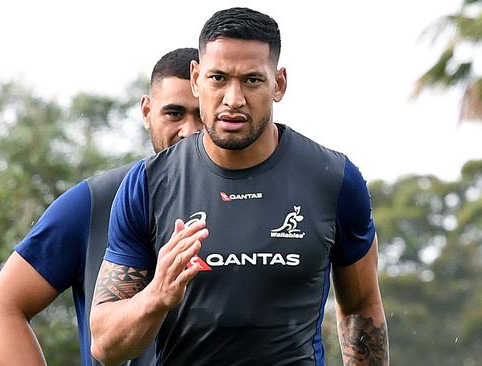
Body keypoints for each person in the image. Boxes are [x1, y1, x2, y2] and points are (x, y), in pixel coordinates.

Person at [91, 7, 389, 366]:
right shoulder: (148, 183)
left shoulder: (334, 178)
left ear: (278, 84)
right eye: (218, 78)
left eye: (252, 80)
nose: (233, 99)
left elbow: (361, 308)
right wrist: (157, 294)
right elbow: (106, 347)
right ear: (197, 78)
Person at [0, 47, 202, 366]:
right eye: (174, 113)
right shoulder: (93, 202)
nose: (190, 131)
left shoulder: (258, 200)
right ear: (147, 111)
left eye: (201, 115)